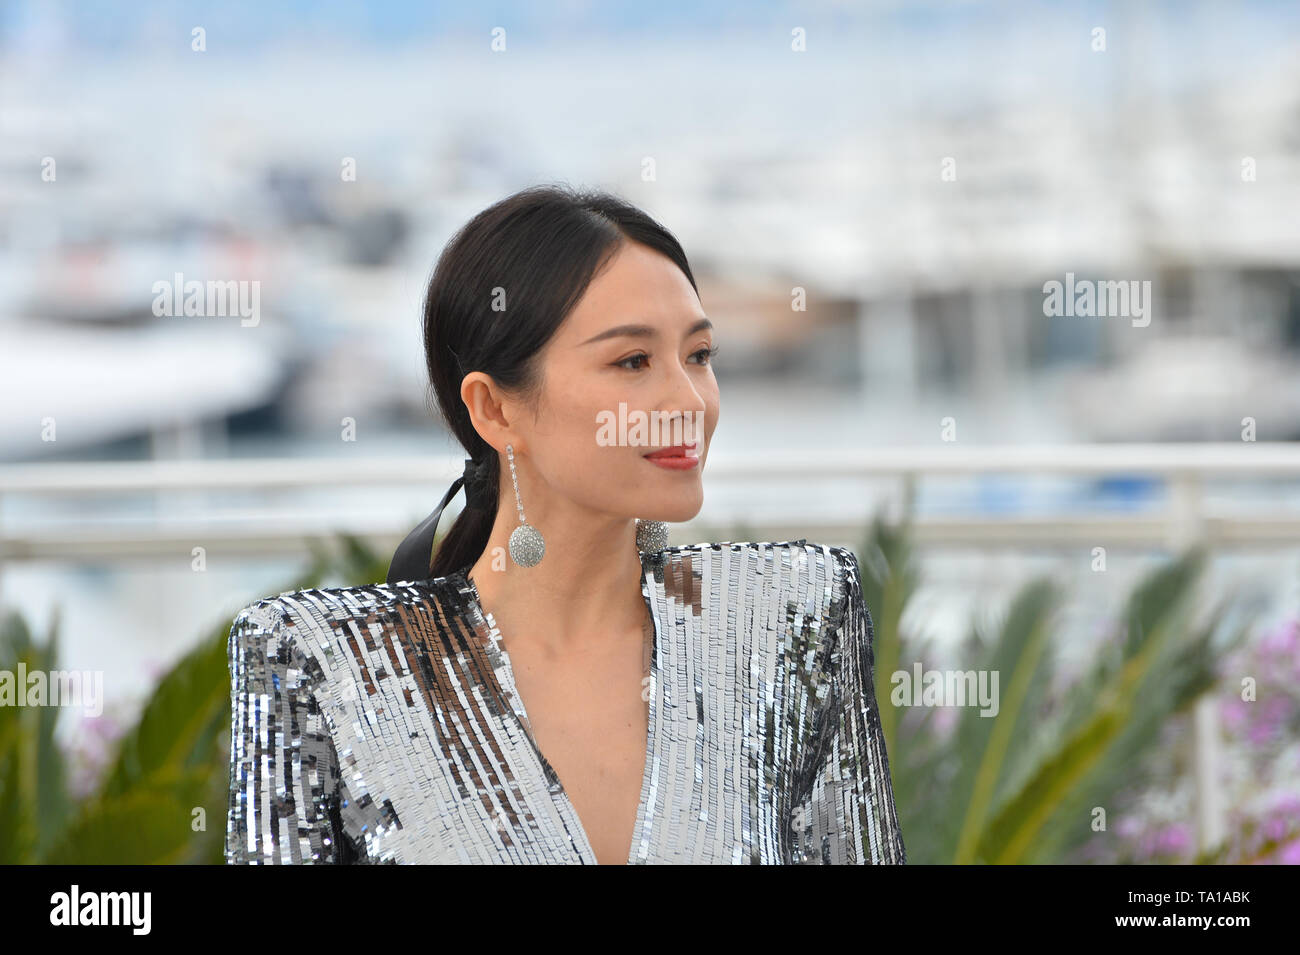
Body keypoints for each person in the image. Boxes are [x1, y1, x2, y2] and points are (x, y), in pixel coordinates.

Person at [224, 183, 906, 864]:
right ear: (494, 409)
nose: (689, 399)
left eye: (699, 355)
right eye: (632, 361)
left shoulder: (790, 617)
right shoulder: (322, 661)